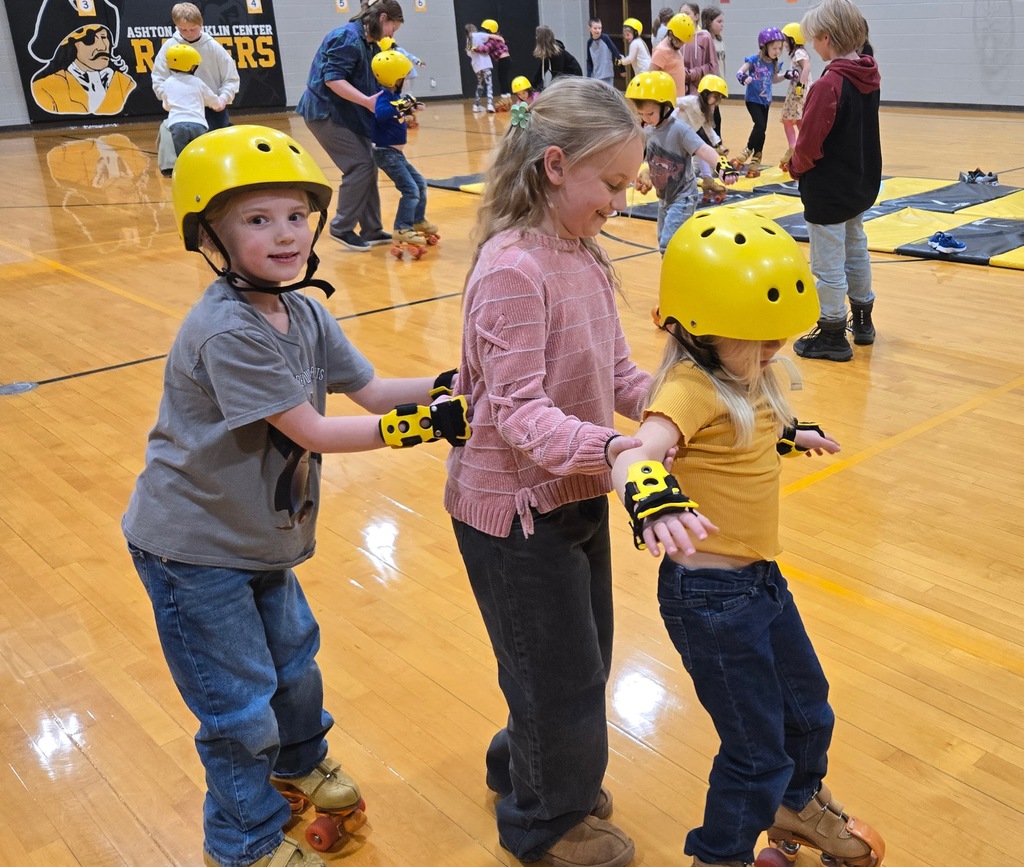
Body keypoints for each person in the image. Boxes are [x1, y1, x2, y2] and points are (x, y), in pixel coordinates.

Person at [123, 124, 469, 867]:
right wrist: (426, 429)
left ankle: (299, 762)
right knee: (238, 704)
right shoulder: (228, 330)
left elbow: (373, 390)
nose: (284, 234)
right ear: (209, 234)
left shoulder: (304, 310)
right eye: (257, 219)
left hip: (259, 536)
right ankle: (241, 842)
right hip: (193, 547)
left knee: (293, 663)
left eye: (295, 216)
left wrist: (450, 382)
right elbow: (312, 430)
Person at [609, 209, 886, 867]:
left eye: (779, 340)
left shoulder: (743, 372)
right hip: (709, 599)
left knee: (809, 713)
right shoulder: (687, 386)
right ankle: (720, 854)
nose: (772, 353)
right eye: (757, 340)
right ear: (699, 328)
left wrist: (793, 435)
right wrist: (650, 493)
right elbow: (633, 451)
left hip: (760, 582)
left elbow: (749, 428)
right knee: (755, 748)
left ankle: (796, 802)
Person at [445, 77, 651, 867]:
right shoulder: (511, 271)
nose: (621, 204)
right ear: (556, 165)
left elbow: (618, 376)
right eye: (613, 185)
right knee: (555, 673)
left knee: (578, 658)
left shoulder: (582, 253)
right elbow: (522, 416)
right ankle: (543, 819)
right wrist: (615, 450)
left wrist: (681, 405)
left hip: (574, 492)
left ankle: (529, 768)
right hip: (513, 513)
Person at [787, 0, 881, 361]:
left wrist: (796, 167)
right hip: (859, 182)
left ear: (827, 38)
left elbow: (809, 144)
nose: (812, 45)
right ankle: (863, 322)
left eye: (814, 39)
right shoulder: (868, 73)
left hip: (828, 189)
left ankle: (832, 333)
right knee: (856, 250)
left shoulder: (829, 84)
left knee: (827, 264)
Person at [297, 0, 404, 252]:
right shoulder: (345, 37)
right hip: (325, 113)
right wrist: (367, 102)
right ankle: (342, 227)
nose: (391, 34)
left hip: (348, 115)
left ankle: (372, 229)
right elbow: (333, 80)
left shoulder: (369, 43)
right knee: (360, 164)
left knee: (369, 163)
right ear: (383, 18)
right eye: (392, 28)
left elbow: (371, 84)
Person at [627, 71, 735, 253]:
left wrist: (722, 165)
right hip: (664, 199)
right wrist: (644, 175)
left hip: (683, 197)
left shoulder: (679, 130)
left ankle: (680, 276)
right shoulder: (648, 131)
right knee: (664, 241)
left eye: (650, 113)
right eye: (641, 114)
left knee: (668, 244)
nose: (646, 118)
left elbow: (703, 149)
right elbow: (652, 160)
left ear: (666, 106)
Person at [370, 50, 437, 250]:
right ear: (394, 79)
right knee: (410, 189)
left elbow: (400, 108)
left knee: (420, 183)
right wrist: (400, 105)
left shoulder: (395, 95)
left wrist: (412, 106)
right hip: (385, 154)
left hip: (396, 154)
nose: (407, 81)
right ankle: (402, 227)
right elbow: (381, 114)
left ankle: (417, 220)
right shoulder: (384, 97)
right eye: (405, 78)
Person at [152, 3, 239, 132]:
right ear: (176, 26)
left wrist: (223, 98)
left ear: (201, 23)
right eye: (183, 29)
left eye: (193, 29)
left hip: (212, 110)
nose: (188, 33)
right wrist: (169, 98)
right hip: (182, 112)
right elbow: (158, 79)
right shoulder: (169, 47)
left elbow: (231, 79)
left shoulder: (213, 47)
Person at [734, 26, 786, 177]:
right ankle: (746, 153)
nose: (777, 51)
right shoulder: (754, 60)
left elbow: (774, 79)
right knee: (760, 125)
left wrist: (786, 76)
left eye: (780, 48)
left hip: (766, 101)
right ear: (764, 46)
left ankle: (754, 166)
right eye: (775, 48)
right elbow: (739, 71)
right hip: (752, 99)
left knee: (761, 131)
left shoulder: (773, 63)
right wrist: (743, 78)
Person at [160, 44, 226, 156]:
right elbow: (212, 99)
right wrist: (218, 104)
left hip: (177, 124)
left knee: (182, 156)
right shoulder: (197, 82)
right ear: (191, 66)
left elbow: (166, 106)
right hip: (198, 124)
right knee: (200, 154)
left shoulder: (167, 82)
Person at [677, 74, 730, 202]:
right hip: (676, 134)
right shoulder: (690, 101)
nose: (717, 102)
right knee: (680, 166)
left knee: (701, 149)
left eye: (719, 99)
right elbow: (673, 102)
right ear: (706, 94)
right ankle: (698, 182)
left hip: (688, 137)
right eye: (715, 97)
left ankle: (707, 179)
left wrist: (718, 144)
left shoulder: (708, 110)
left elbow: (708, 128)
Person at [779, 22, 812, 167]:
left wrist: (800, 85)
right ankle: (804, 146)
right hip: (799, 90)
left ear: (793, 39)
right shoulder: (800, 52)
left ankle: (793, 147)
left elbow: (807, 68)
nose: (784, 43)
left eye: (786, 40)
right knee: (799, 120)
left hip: (797, 91)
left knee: (787, 119)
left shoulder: (799, 53)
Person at [649, 13, 694, 104]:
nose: (681, 45)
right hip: (667, 102)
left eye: (684, 42)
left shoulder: (675, 49)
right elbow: (650, 77)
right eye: (679, 41)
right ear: (670, 34)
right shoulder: (661, 51)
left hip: (678, 100)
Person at [679, 3, 719, 96]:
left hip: (700, 90)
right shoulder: (678, 39)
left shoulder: (705, 37)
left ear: (696, 16)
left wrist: (693, 73)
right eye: (681, 14)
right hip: (682, 90)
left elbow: (712, 66)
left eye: (687, 13)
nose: (683, 17)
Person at [701, 6, 726, 138]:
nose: (722, 25)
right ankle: (716, 146)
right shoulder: (705, 40)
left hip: (718, 84)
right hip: (709, 86)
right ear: (709, 22)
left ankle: (716, 146)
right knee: (712, 119)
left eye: (723, 22)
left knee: (715, 119)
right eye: (719, 22)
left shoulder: (719, 41)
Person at [532, 25, 583, 90]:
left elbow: (558, 75)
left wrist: (549, 89)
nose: (536, 38)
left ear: (541, 39)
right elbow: (540, 72)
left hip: (573, 79)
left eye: (537, 36)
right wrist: (532, 87)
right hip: (565, 79)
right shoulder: (548, 54)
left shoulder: (558, 53)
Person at [465, 23, 496, 113]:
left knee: (480, 84)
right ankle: (490, 104)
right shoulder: (479, 35)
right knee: (489, 83)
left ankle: (476, 105)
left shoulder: (468, 40)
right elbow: (491, 36)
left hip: (476, 66)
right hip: (485, 63)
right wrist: (500, 38)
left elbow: (469, 54)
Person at [481, 18, 514, 101]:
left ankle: (505, 99)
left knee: (502, 80)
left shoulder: (492, 40)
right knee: (504, 79)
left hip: (503, 60)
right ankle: (507, 97)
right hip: (507, 59)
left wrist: (475, 48)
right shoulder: (498, 37)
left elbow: (486, 49)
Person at [586, 18, 622, 87]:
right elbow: (589, 61)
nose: (598, 30)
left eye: (600, 28)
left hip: (607, 74)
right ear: (589, 28)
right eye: (595, 28)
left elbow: (615, 52)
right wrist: (588, 76)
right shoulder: (589, 42)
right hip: (595, 76)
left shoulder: (605, 38)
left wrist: (622, 69)